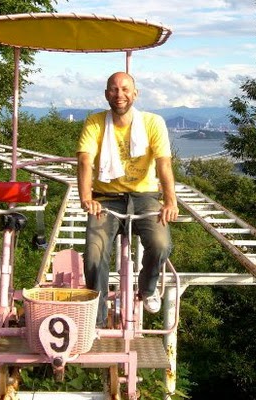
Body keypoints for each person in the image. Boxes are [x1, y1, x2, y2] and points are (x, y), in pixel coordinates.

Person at [77, 71, 179, 328]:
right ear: (106, 94)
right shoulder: (95, 122)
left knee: (160, 243)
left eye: (125, 89)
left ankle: (147, 288)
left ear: (135, 94)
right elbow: (85, 160)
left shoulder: (153, 123)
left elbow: (164, 164)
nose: (119, 95)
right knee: (94, 253)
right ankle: (97, 319)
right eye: (113, 89)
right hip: (106, 198)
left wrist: (170, 201)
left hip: (144, 196)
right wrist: (86, 197)